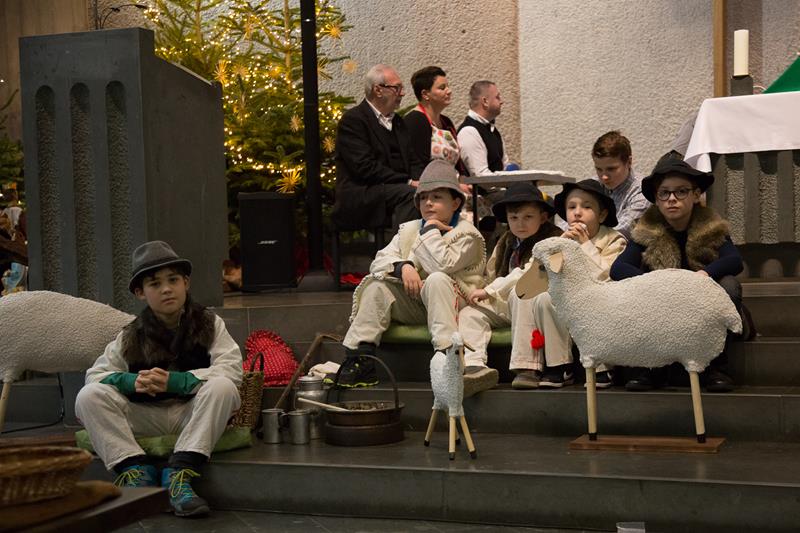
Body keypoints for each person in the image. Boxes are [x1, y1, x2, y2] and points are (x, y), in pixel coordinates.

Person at [75, 241, 243, 517]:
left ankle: (179, 474)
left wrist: (177, 382)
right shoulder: (130, 335)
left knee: (224, 387)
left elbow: (232, 369)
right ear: (140, 292)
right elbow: (95, 376)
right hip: (145, 417)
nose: (166, 289)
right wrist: (129, 382)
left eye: (173, 280)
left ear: (186, 283)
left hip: (191, 415)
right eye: (155, 284)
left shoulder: (209, 323)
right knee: (88, 397)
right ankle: (135, 469)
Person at [332, 159, 486, 392]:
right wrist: (403, 267)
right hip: (419, 302)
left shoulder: (467, 234)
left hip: (456, 304)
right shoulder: (409, 229)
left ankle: (448, 357)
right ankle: (361, 358)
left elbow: (441, 265)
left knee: (436, 279)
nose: (428, 203)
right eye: (423, 198)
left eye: (437, 197)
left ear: (455, 203)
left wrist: (430, 230)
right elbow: (379, 261)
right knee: (376, 286)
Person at [610, 159, 743, 393]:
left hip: (701, 299)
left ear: (696, 195)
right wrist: (658, 282)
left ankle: (717, 367)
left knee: (729, 285)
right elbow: (618, 268)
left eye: (681, 191)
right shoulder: (647, 229)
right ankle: (652, 367)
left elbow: (734, 260)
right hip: (664, 302)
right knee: (635, 288)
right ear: (656, 198)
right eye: (664, 193)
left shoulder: (711, 225)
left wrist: (704, 274)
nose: (672, 199)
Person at [509, 180, 626, 389]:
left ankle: (603, 367)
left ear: (601, 215)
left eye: (587, 207)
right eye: (572, 207)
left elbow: (608, 277)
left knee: (584, 302)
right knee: (543, 297)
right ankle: (558, 365)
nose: (577, 213)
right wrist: (557, 248)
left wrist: (586, 245)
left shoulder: (614, 239)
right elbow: (532, 273)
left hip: (603, 300)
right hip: (568, 303)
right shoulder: (560, 240)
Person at [458, 182, 561, 393]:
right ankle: (474, 366)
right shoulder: (506, 240)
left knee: (520, 294)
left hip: (539, 302)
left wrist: (489, 290)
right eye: (514, 218)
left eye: (528, 217)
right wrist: (481, 289)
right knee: (470, 313)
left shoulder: (552, 239)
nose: (520, 224)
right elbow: (492, 272)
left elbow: (528, 273)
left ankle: (527, 367)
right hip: (507, 301)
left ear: (542, 217)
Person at [332, 64, 422, 230]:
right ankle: (403, 245)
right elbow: (364, 167)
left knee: (437, 193)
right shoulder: (354, 121)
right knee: (412, 194)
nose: (402, 93)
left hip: (395, 188)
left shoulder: (398, 122)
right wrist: (408, 181)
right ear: (378, 90)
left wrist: (423, 181)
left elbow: (413, 160)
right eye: (397, 88)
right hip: (365, 192)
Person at [404, 66, 469, 177]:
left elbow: (459, 165)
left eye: (448, 86)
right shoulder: (415, 121)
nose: (449, 91)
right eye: (442, 88)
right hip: (433, 184)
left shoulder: (446, 121)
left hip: (455, 182)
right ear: (425, 94)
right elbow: (418, 166)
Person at [589, 131, 650, 240]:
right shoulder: (593, 184)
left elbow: (617, 234)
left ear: (629, 162)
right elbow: (566, 223)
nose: (604, 177)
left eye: (611, 169)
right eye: (599, 169)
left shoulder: (643, 191)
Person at [457, 80, 509, 177]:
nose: (502, 102)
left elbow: (504, 168)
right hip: (485, 187)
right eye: (497, 97)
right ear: (485, 101)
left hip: (499, 186)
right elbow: (481, 177)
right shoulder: (469, 132)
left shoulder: (493, 130)